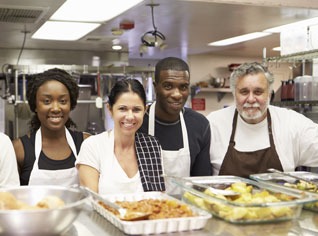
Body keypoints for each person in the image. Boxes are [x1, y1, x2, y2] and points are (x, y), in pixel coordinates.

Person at [207, 62, 318, 177]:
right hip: (225, 195)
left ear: (269, 94)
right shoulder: (214, 124)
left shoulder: (291, 123)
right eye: (244, 92)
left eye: (258, 92)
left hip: (280, 194)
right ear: (234, 94)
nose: (250, 99)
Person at [76, 79, 165, 194]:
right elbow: (91, 200)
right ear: (110, 109)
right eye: (122, 109)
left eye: (136, 110)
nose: (130, 116)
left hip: (148, 212)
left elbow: (160, 200)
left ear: (145, 110)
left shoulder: (151, 146)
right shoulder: (93, 146)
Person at [138, 57, 212, 189]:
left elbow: (202, 182)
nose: (177, 94)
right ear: (156, 88)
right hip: (145, 205)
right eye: (168, 86)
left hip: (186, 205)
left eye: (183, 87)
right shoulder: (138, 123)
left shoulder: (199, 125)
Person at [13, 68, 90, 186]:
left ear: (71, 104)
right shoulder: (19, 149)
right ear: (35, 106)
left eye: (63, 101)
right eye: (47, 101)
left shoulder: (87, 144)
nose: (55, 108)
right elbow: (10, 198)